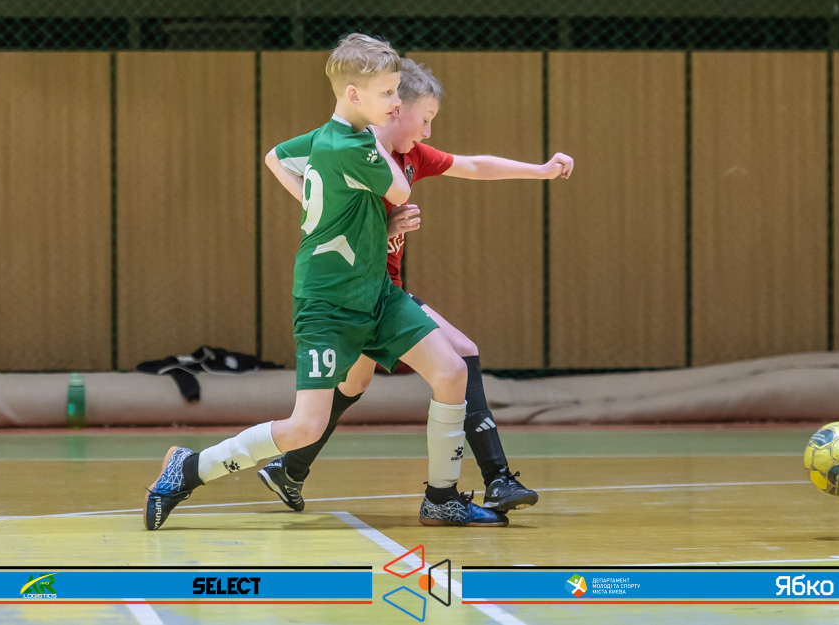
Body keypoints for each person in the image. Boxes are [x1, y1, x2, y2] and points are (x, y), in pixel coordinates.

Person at [143, 34, 506, 530]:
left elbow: (276, 157)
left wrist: (331, 214)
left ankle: (441, 498)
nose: (396, 103)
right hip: (328, 302)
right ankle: (190, 468)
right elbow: (400, 189)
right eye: (387, 94)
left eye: (396, 92)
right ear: (353, 95)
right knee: (304, 427)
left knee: (451, 370)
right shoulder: (355, 145)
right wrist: (377, 148)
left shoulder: (324, 138)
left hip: (375, 292)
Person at [260, 58, 574, 514]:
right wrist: (326, 215)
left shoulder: (410, 157)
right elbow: (276, 157)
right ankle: (492, 479)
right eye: (424, 119)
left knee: (357, 381)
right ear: (395, 109)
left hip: (378, 293)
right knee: (460, 353)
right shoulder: (349, 145)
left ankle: (290, 468)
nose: (428, 132)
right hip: (365, 292)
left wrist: (540, 170)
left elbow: (473, 165)